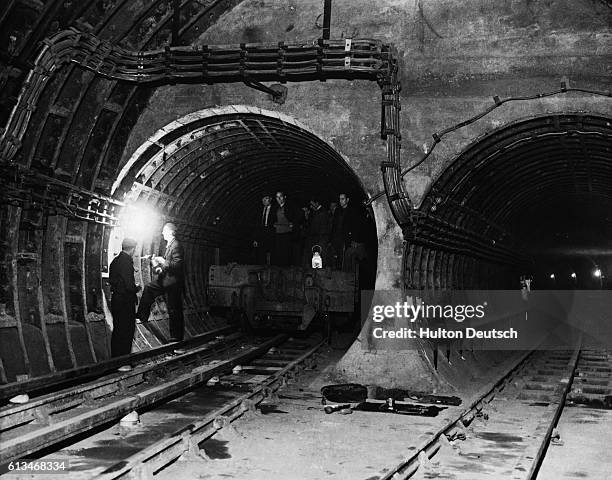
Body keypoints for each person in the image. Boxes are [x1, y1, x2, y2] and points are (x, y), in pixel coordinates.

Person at [136, 222, 185, 342]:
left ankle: (176, 337)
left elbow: (178, 265)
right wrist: (157, 263)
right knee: (149, 288)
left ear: (170, 232)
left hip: (173, 283)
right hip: (166, 280)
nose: (162, 233)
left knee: (174, 309)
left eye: (164, 231)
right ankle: (142, 316)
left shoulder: (176, 245)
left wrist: (162, 261)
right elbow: (169, 264)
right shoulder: (170, 245)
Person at [109, 237, 140, 360]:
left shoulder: (115, 261)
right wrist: (137, 288)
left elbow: (113, 280)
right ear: (132, 249)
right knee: (127, 330)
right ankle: (124, 360)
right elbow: (128, 285)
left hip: (116, 299)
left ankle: (116, 359)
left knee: (118, 330)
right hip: (125, 301)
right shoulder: (127, 261)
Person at [273, 191, 297, 266]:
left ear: (284, 197)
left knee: (286, 252)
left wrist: (293, 224)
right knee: (279, 252)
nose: (279, 198)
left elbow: (297, 216)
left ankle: (287, 267)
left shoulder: (290, 207)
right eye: (277, 197)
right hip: (278, 232)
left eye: (281, 196)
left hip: (287, 232)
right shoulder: (275, 208)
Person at [305, 198, 331, 267]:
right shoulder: (315, 212)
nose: (311, 206)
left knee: (320, 257)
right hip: (317, 238)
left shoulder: (322, 213)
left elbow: (320, 227)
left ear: (317, 203)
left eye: (312, 204)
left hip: (320, 238)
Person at [253, 195, 275, 264]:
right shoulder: (259, 210)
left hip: (272, 235)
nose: (264, 201)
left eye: (266, 198)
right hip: (262, 235)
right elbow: (257, 225)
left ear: (270, 199)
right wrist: (255, 239)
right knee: (261, 255)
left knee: (272, 255)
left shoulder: (275, 209)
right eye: (263, 199)